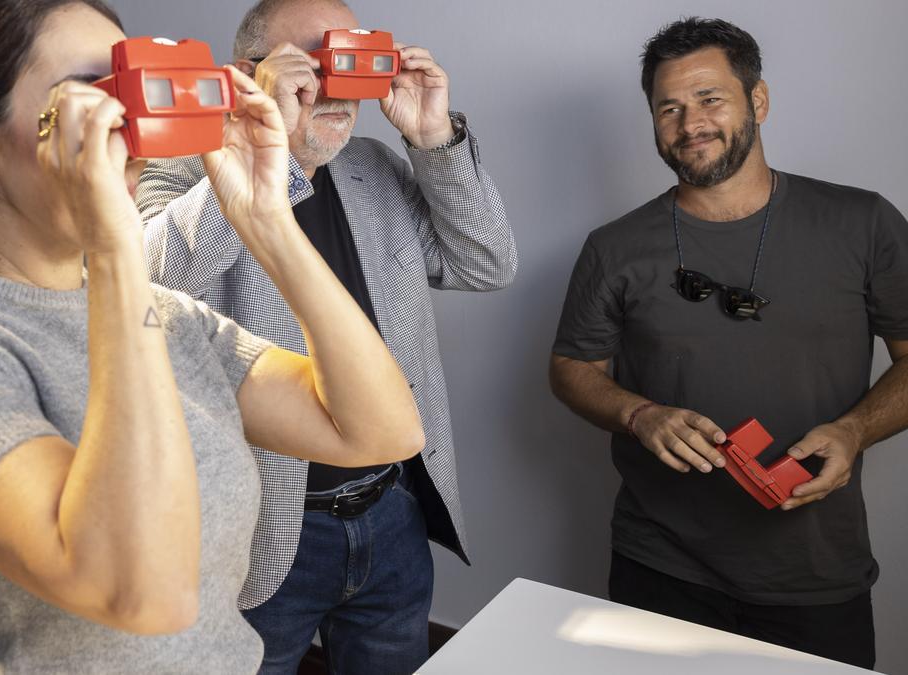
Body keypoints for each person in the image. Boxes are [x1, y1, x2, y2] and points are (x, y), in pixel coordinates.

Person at [0, 1, 424, 672]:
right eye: (90, 101)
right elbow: (144, 592)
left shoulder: (169, 319)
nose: (124, 126)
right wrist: (116, 245)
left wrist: (266, 220)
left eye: (128, 88)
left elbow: (381, 430)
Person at [136, 0, 516, 671]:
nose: (335, 88)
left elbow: (486, 262)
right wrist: (268, 152)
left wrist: (435, 139)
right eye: (311, 65)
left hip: (392, 506)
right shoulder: (189, 172)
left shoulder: (374, 169)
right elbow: (145, 284)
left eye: (349, 60)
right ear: (245, 75)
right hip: (260, 526)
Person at [549, 17, 908, 669]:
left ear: (758, 100)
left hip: (814, 573)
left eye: (710, 98)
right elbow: (572, 366)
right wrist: (640, 413)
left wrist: (855, 430)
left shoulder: (864, 222)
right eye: (669, 108)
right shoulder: (614, 247)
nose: (691, 124)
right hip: (658, 566)